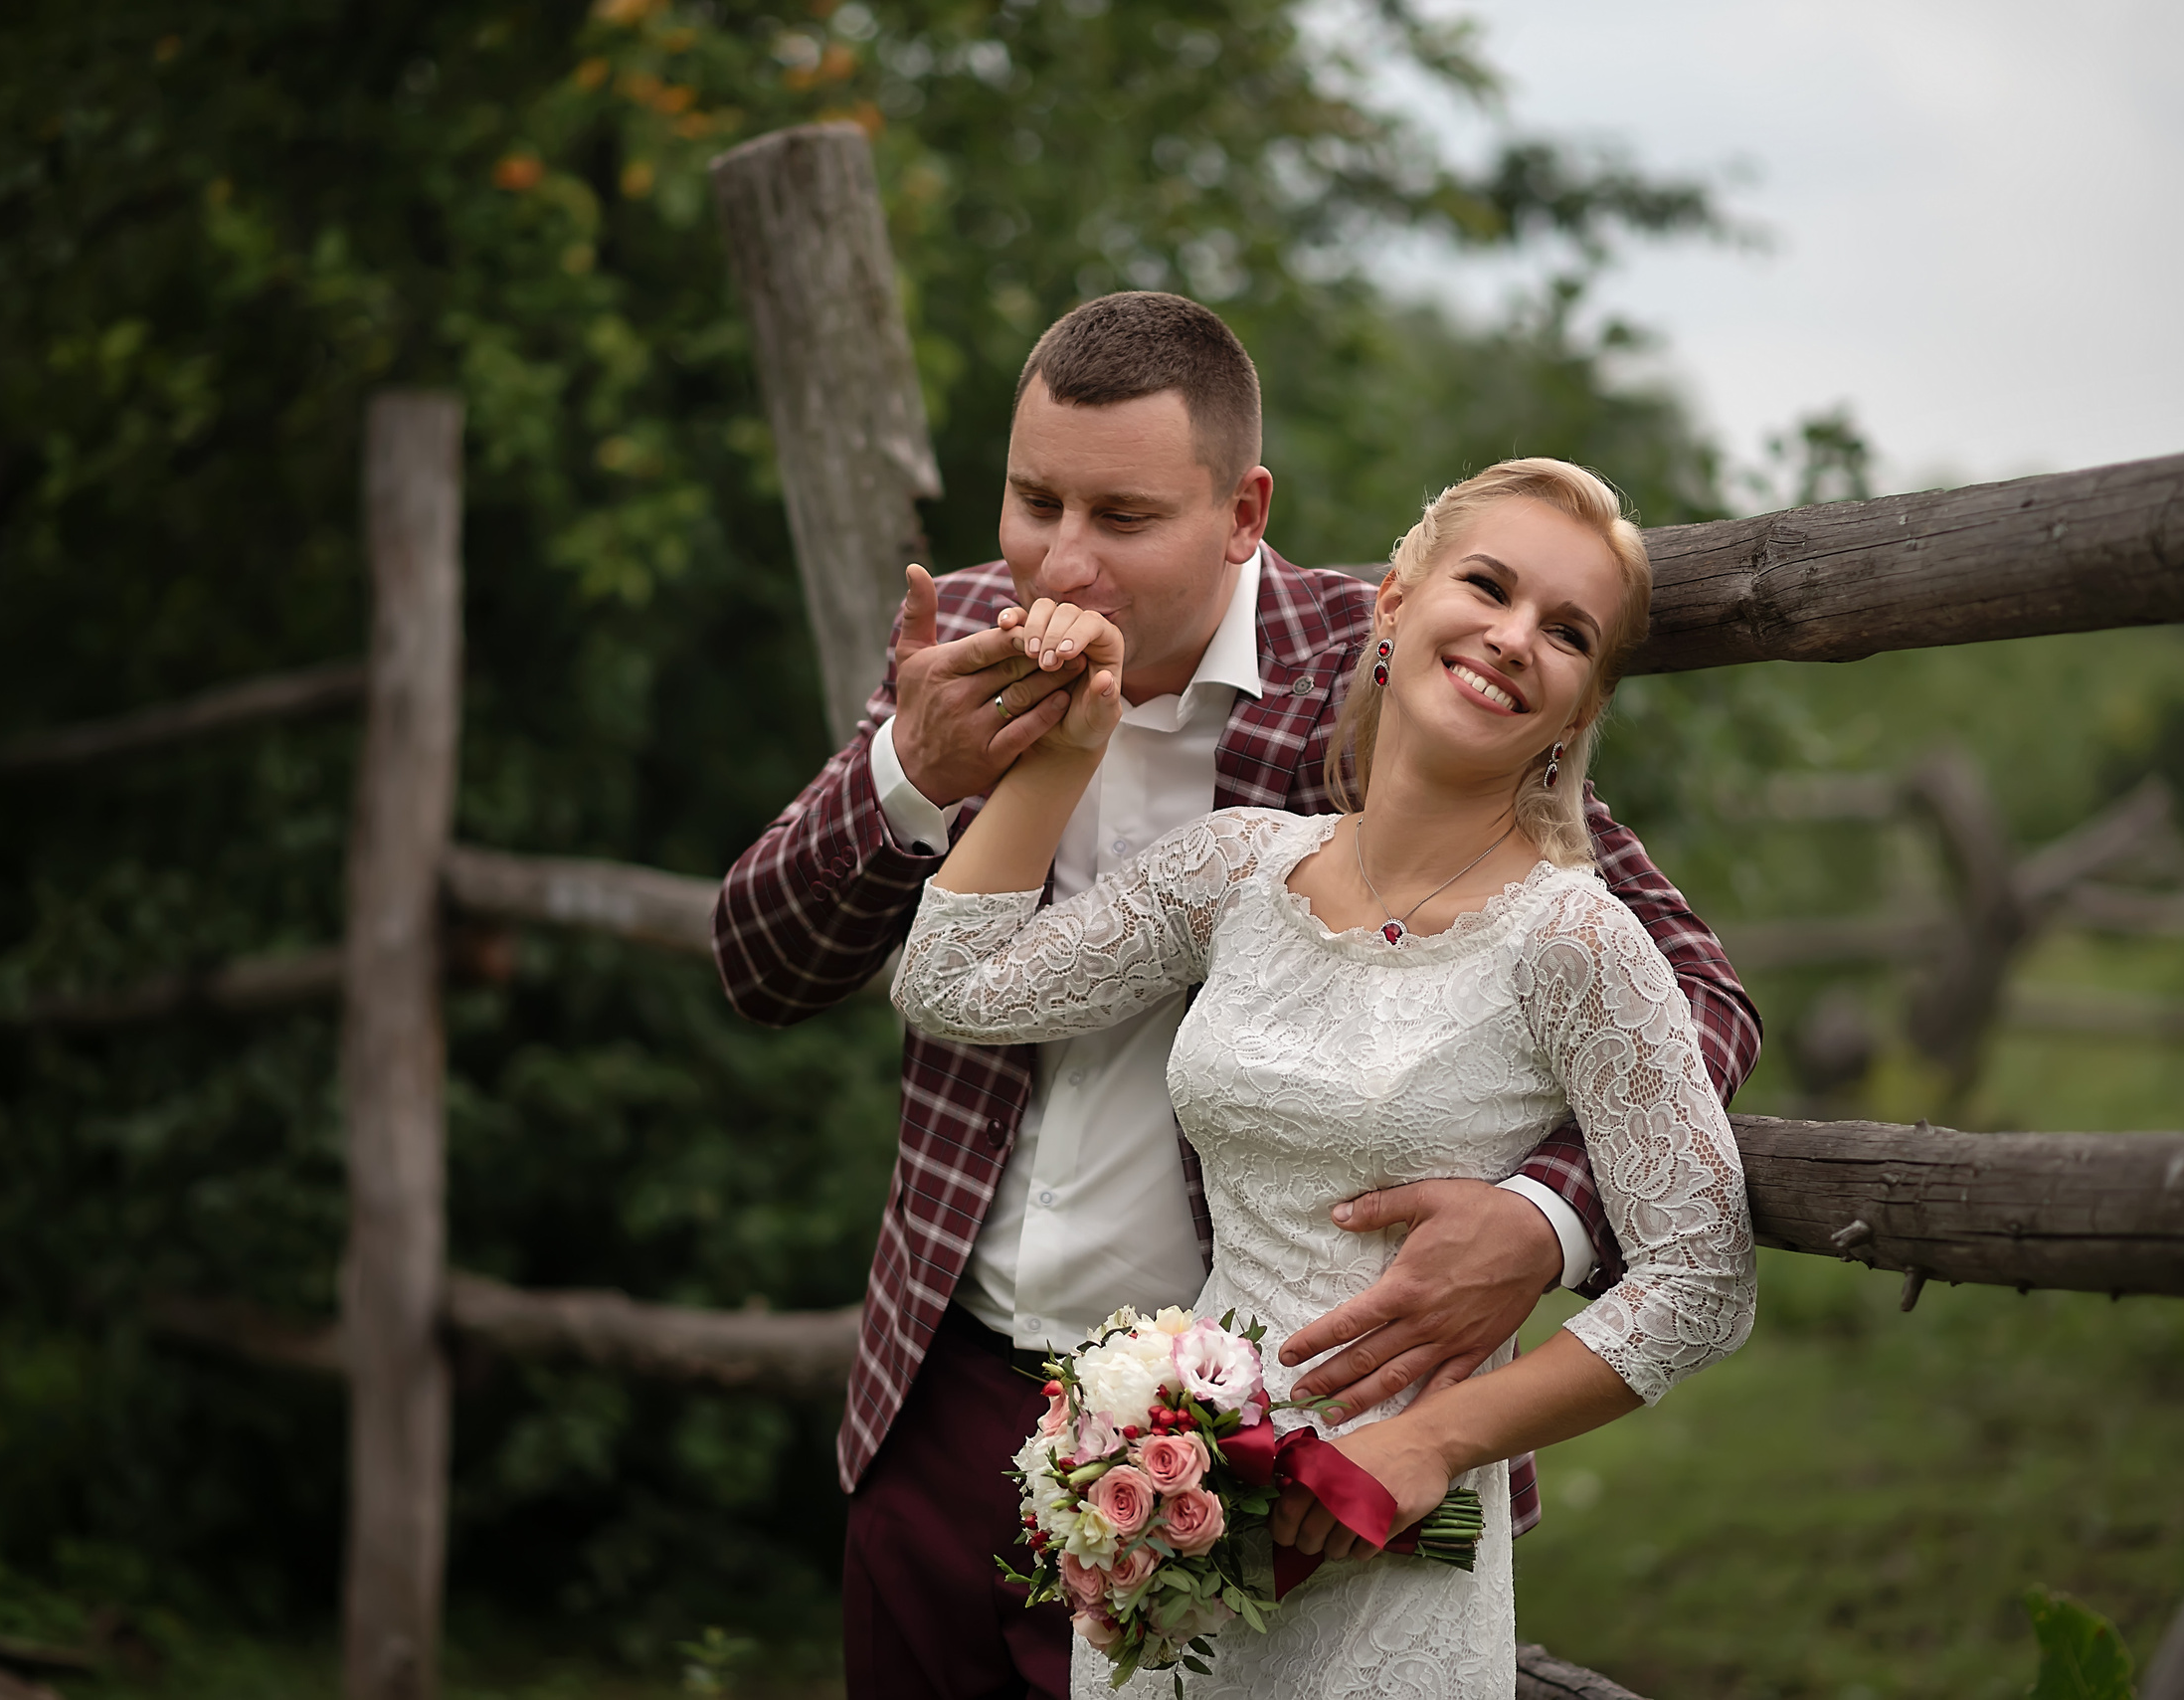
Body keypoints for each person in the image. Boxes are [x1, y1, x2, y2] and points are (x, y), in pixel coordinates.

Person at [711, 291, 1759, 1699]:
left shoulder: (1390, 664)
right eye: (1035, 500)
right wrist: (916, 766)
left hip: (1276, 1422)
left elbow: (1687, 986)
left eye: (1125, 517)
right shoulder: (970, 636)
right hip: (950, 1386)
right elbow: (766, 964)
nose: (1064, 562)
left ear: (1243, 511)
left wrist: (1541, 1218)